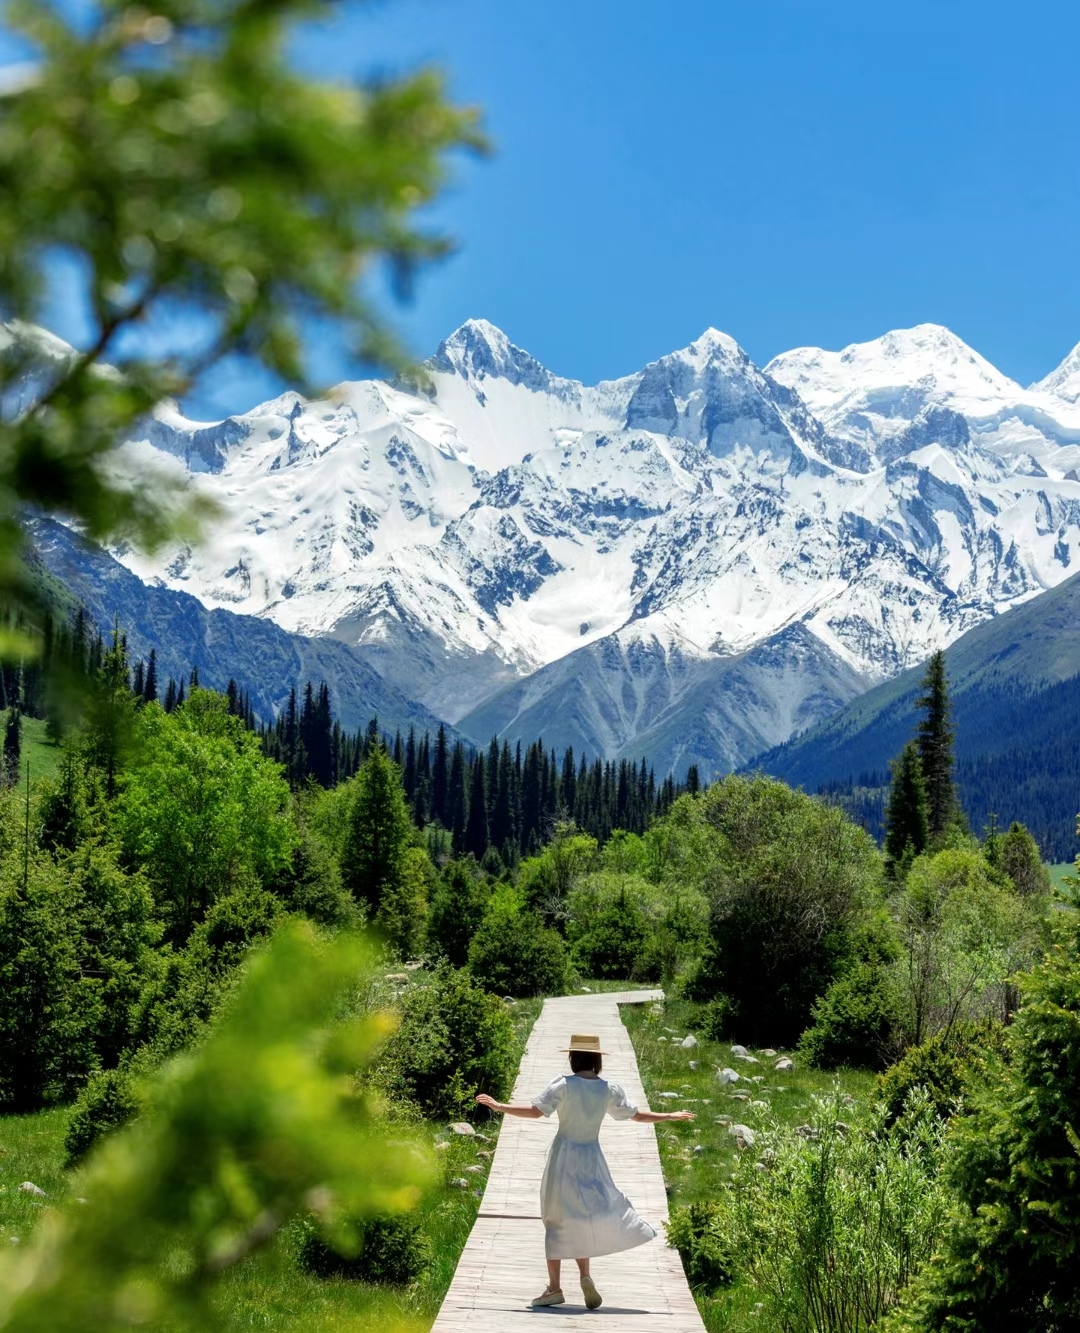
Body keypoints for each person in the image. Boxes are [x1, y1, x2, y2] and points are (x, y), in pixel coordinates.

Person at [475, 1032, 695, 1310]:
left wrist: (499, 1106)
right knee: (583, 1216)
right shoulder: (607, 1090)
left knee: (555, 1218)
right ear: (596, 1061)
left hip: (564, 1156)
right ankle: (585, 1276)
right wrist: (669, 1115)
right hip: (592, 1156)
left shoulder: (564, 1086)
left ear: (573, 1058)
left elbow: (536, 1111)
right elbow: (636, 1115)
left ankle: (554, 1288)